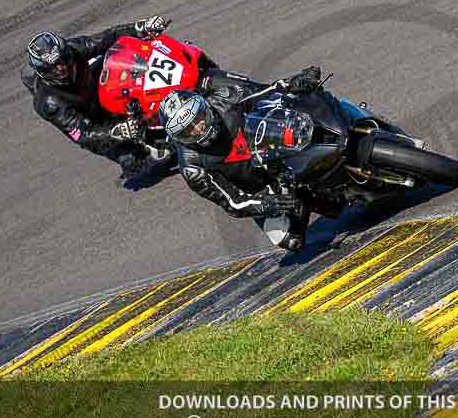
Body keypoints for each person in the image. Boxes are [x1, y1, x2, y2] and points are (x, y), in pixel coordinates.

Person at [159, 66, 323, 251]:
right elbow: (232, 203)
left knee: (306, 103)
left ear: (204, 107)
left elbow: (264, 92)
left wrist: (293, 83)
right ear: (178, 138)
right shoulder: (192, 167)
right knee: (289, 239)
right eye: (188, 131)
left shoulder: (224, 98)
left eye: (198, 119)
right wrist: (267, 204)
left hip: (277, 152)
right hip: (261, 190)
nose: (199, 129)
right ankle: (312, 200)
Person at [22, 16, 169, 179]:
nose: (61, 68)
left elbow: (108, 37)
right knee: (134, 161)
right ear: (43, 72)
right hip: (96, 124)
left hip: (96, 89)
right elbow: (84, 136)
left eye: (62, 60)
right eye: (53, 68)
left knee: (123, 54)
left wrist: (140, 27)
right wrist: (118, 132)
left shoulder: (73, 49)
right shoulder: (49, 103)